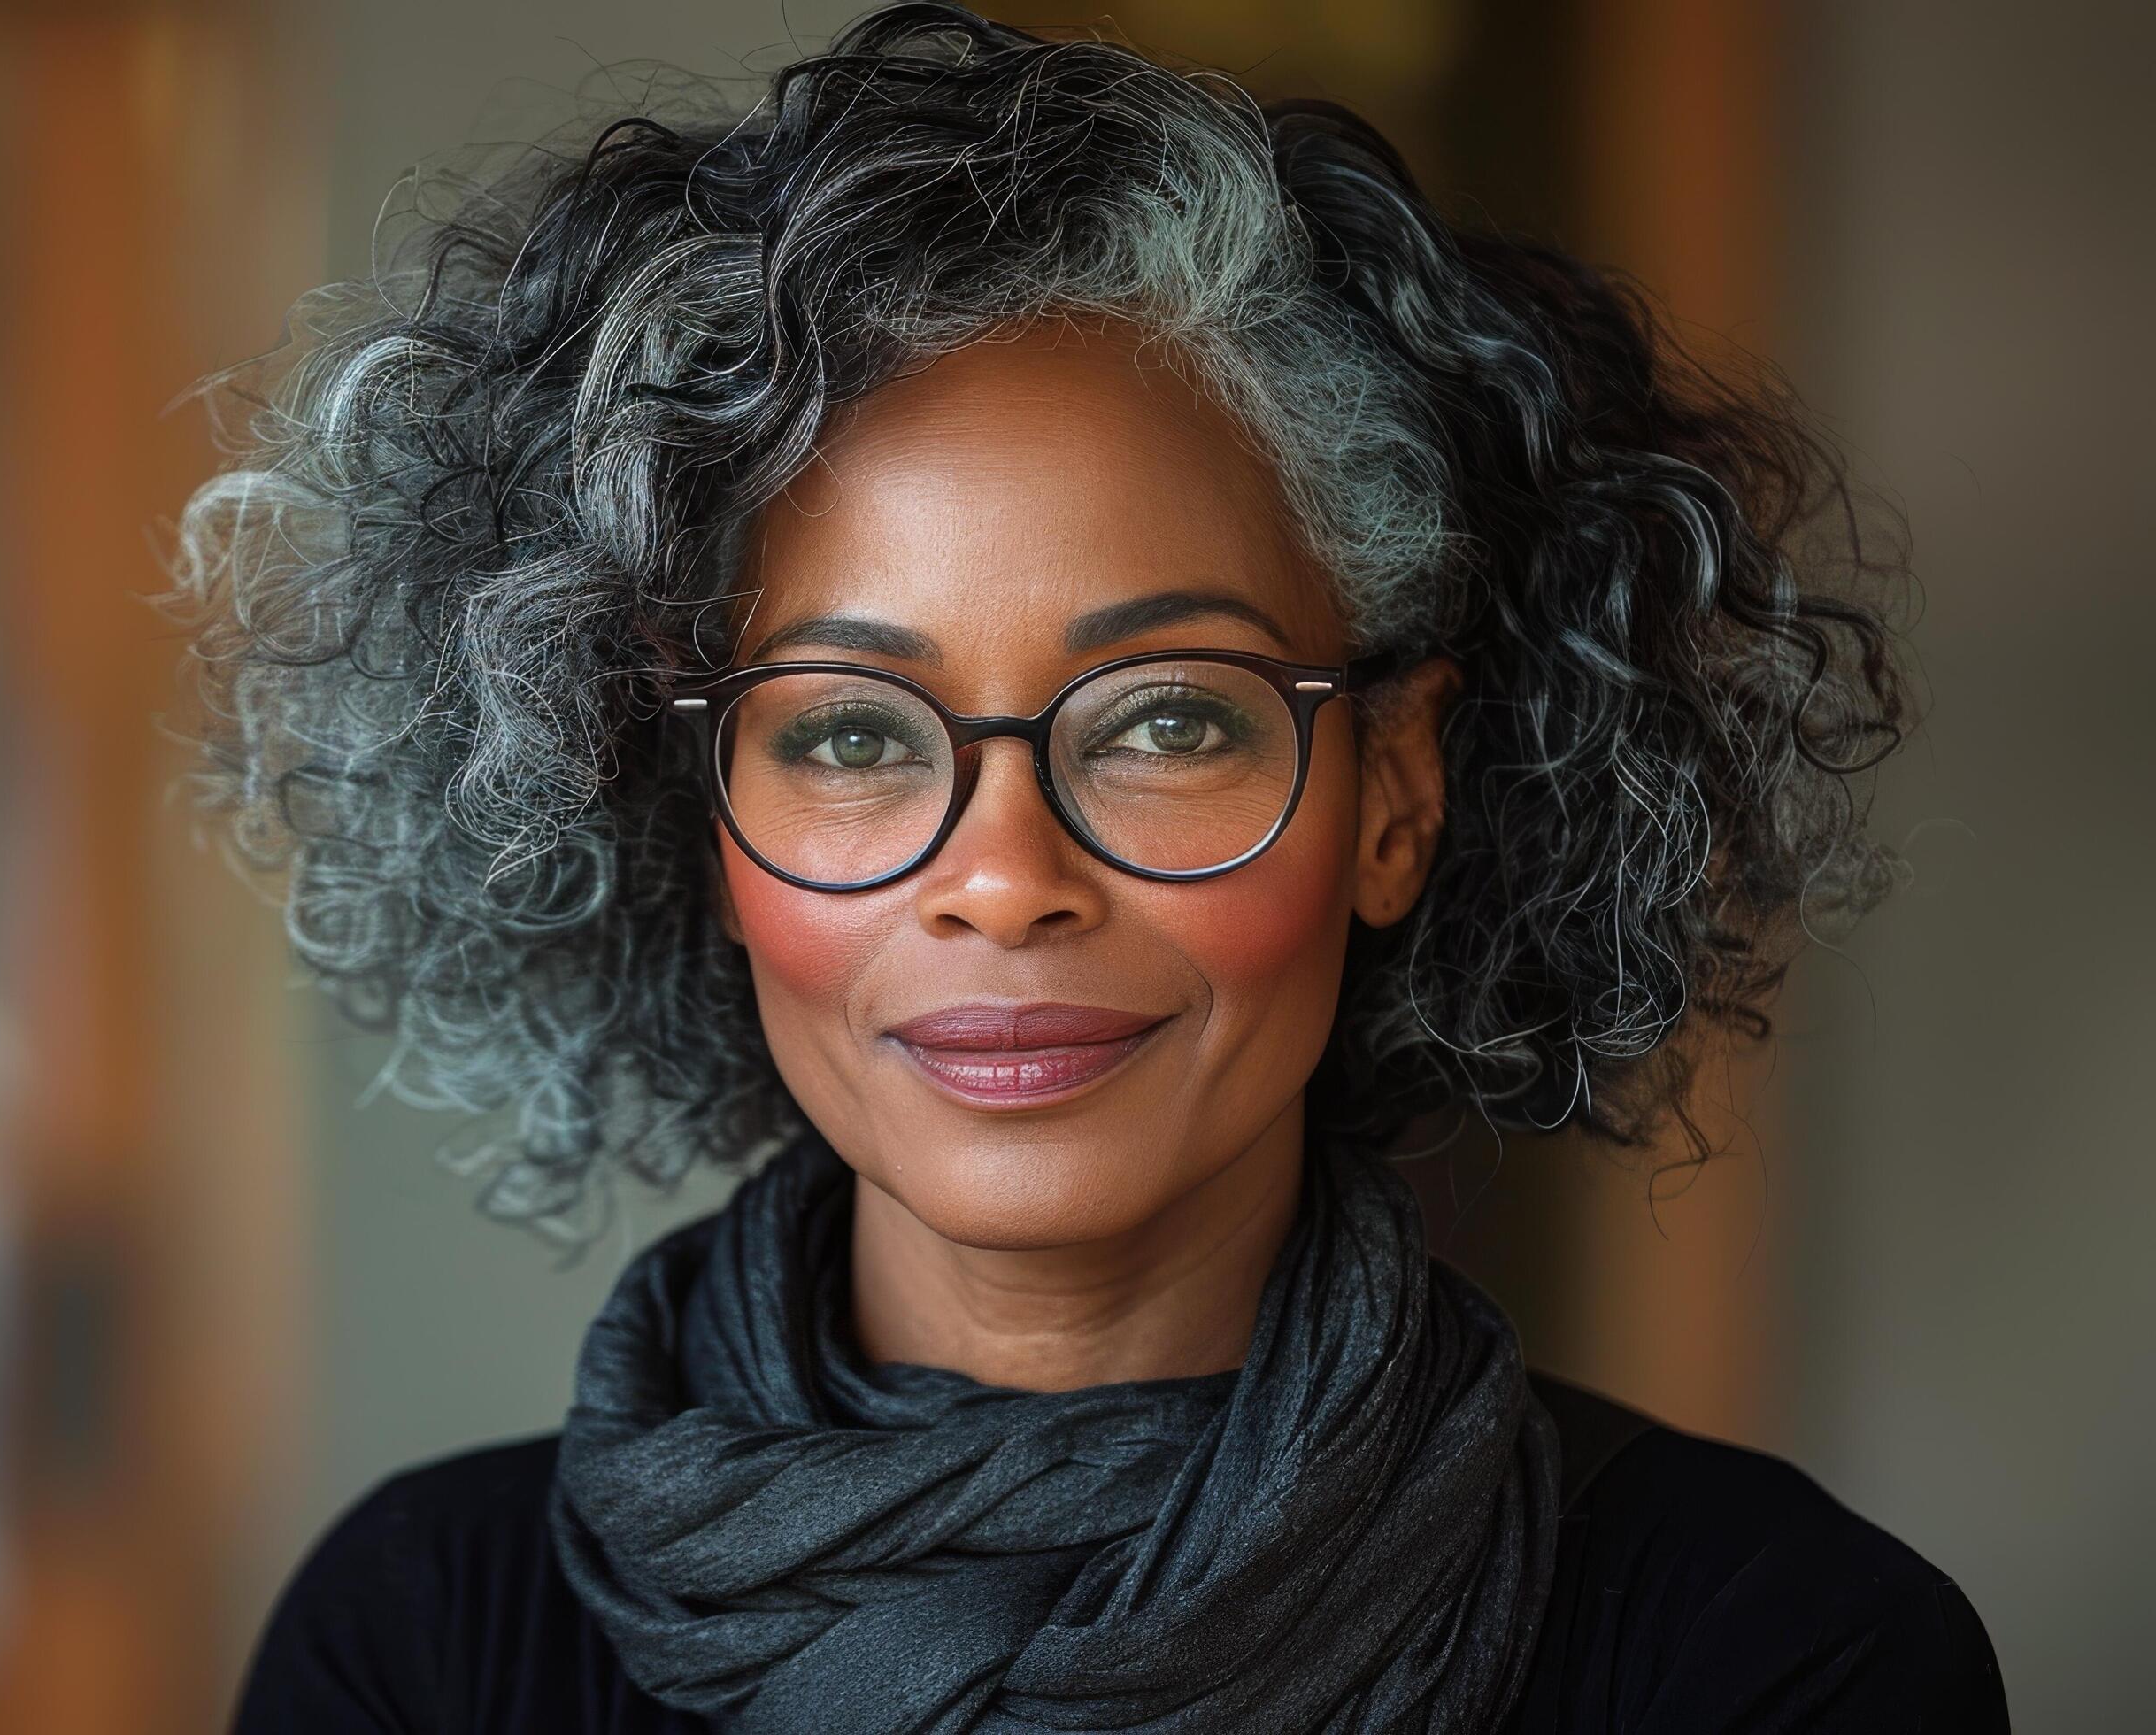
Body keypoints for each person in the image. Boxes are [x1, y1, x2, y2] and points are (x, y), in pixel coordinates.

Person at [169, 6, 2006, 1730]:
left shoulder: (1776, 1650)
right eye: (848, 732)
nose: (1001, 876)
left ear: (1396, 793)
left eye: (1169, 718)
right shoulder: (422, 1637)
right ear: (694, 815)